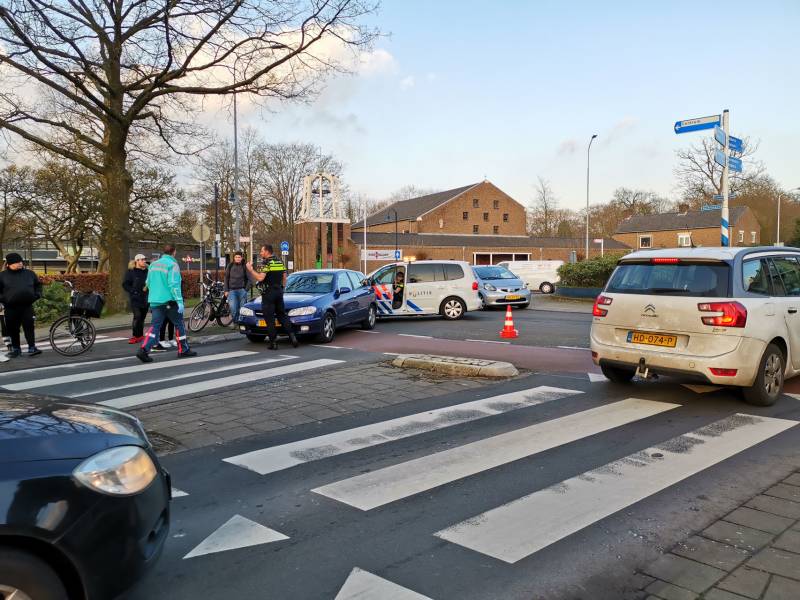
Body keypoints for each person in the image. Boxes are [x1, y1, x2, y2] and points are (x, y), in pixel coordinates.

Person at [136, 244, 196, 362]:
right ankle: (183, 350)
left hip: (155, 301)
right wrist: (179, 302)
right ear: (174, 252)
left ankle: (143, 349)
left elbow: (148, 282)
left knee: (155, 327)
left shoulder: (153, 265)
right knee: (179, 324)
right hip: (169, 301)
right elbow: (174, 285)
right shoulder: (172, 265)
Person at [245, 244, 298, 350]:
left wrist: (250, 270)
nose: (260, 253)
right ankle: (293, 338)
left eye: (262, 251)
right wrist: (282, 288)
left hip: (268, 293)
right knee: (282, 315)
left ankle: (273, 343)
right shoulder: (279, 261)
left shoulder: (267, 263)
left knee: (269, 319)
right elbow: (284, 277)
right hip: (279, 291)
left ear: (267, 252)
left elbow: (260, 278)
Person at [0, 253, 42, 358]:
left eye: (20, 262)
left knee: (29, 327)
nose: (19, 264)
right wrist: (3, 300)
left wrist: (37, 295)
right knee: (13, 329)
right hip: (11, 307)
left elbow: (38, 285)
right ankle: (16, 349)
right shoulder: (2, 276)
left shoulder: (30, 273)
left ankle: (32, 347)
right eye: (16, 262)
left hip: (27, 306)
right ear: (9, 264)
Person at [123, 254, 149, 344]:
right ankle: (135, 335)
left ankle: (140, 335)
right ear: (137, 261)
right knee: (137, 316)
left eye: (145, 259)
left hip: (146, 298)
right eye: (142, 260)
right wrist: (133, 291)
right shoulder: (131, 272)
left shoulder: (148, 271)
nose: (144, 261)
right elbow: (125, 284)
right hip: (135, 298)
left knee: (142, 317)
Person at [225, 250, 249, 325]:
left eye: (239, 257)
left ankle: (242, 323)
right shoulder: (230, 265)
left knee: (242, 309)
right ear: (234, 258)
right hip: (232, 291)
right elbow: (226, 278)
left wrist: (246, 290)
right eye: (236, 257)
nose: (238, 258)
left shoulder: (244, 266)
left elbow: (250, 279)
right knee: (233, 309)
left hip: (242, 290)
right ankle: (236, 322)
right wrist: (226, 290)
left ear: (241, 258)